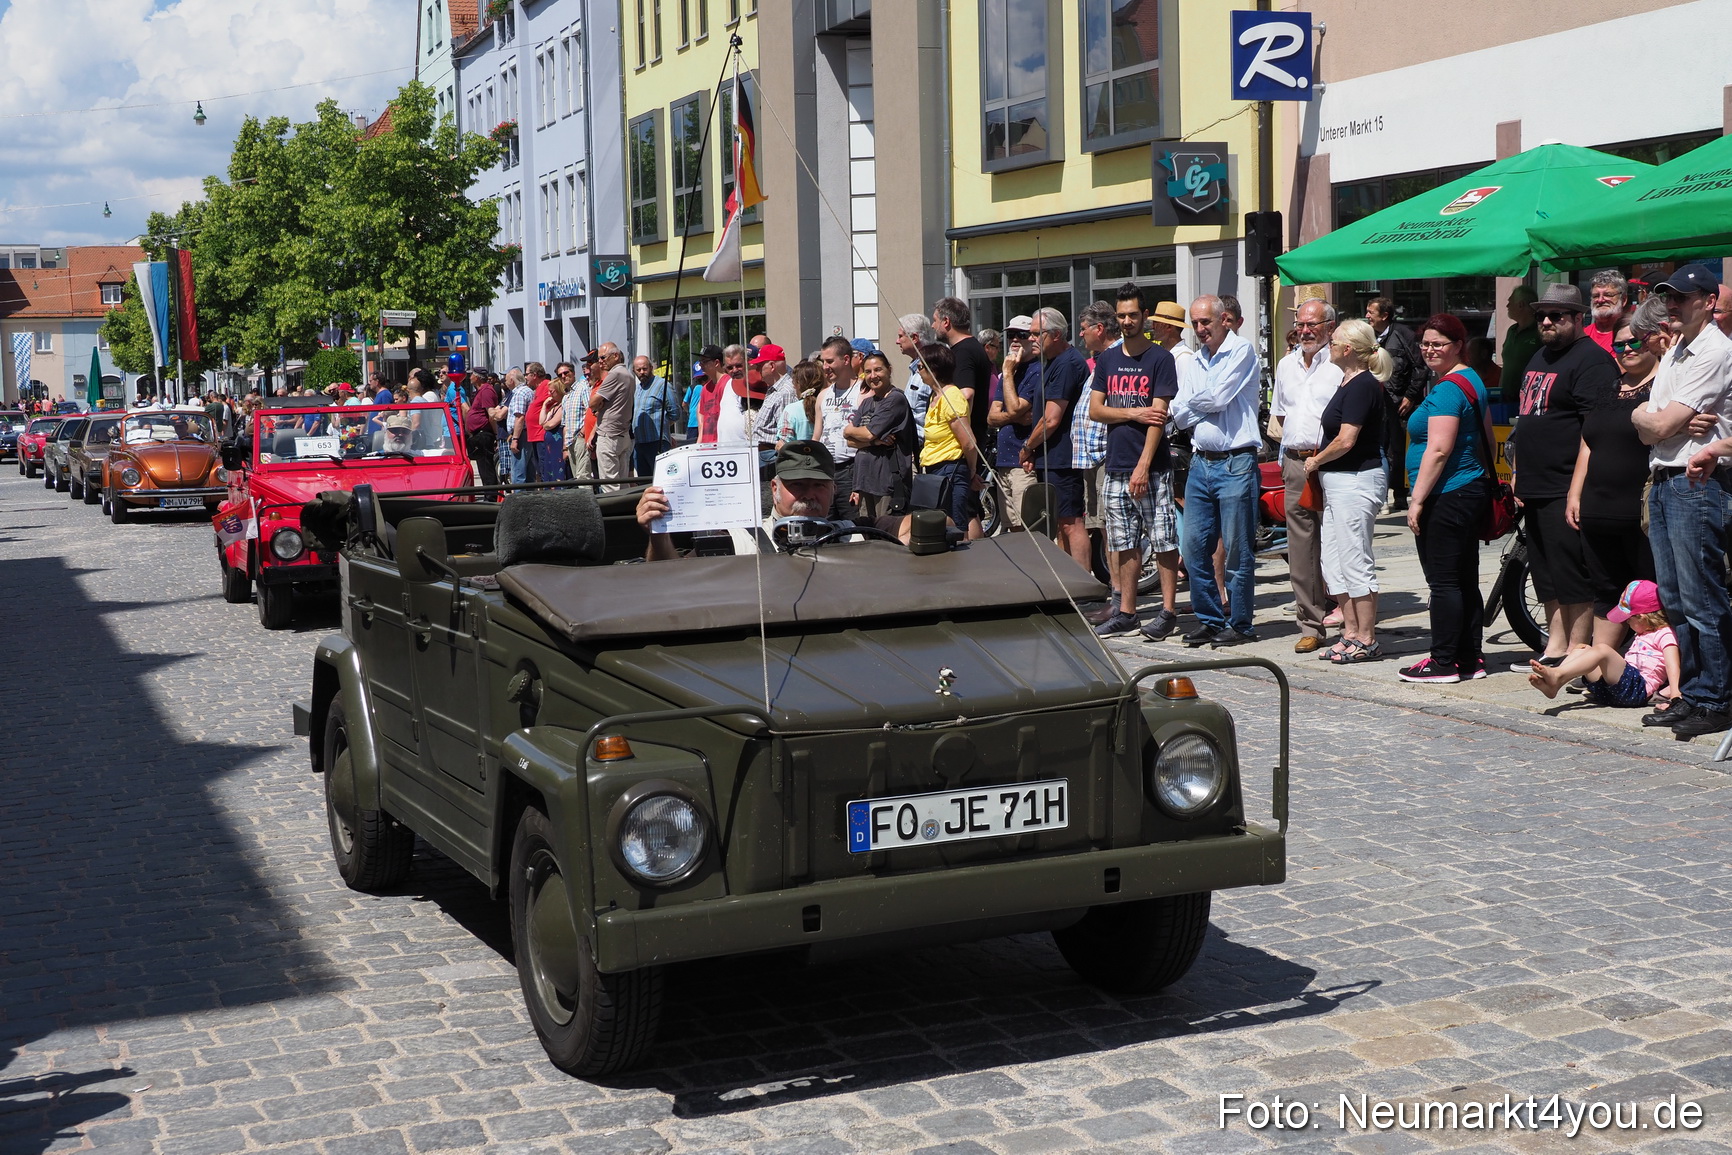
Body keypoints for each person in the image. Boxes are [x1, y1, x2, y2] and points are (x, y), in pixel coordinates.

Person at [1642, 263, 1732, 739]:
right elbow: (1647, 422)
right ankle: (1694, 692)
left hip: (1697, 480)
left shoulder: (1714, 350)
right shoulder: (1678, 349)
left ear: (1708, 301)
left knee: (1701, 597)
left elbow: (1655, 425)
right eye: (1668, 297)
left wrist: (1655, 420)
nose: (1671, 304)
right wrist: (1652, 418)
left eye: (1682, 297)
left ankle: (1717, 697)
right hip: (1664, 477)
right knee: (1674, 598)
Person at [1512, 283, 1619, 667]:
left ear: (1578, 318)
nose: (1546, 321)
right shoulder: (1539, 355)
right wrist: (1518, 472)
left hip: (1566, 486)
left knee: (1572, 573)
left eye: (1556, 315)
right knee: (1545, 574)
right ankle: (1554, 645)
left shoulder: (1591, 361)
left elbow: (1594, 433)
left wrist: (1577, 490)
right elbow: (1528, 417)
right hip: (1535, 484)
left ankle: (1577, 651)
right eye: (1542, 314)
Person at [1566, 298, 1672, 652]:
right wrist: (1575, 493)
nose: (1626, 349)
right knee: (1605, 590)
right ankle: (1602, 666)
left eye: (1634, 342)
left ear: (1651, 340)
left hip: (1640, 513)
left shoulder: (1665, 386)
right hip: (1597, 508)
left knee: (1648, 591)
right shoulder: (1608, 388)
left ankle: (1652, 667)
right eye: (1619, 345)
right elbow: (1588, 444)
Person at [1399, 314, 1494, 684]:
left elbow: (1439, 449)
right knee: (1464, 577)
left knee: (1444, 582)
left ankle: (1443, 662)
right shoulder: (1471, 380)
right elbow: (1484, 436)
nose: (1429, 350)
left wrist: (1417, 500)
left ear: (1458, 345)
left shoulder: (1449, 388)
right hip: (1468, 489)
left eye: (1438, 343)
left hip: (1448, 492)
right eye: (1425, 343)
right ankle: (1470, 658)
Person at [634, 439, 922, 560]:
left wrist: (908, 551)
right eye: (797, 485)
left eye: (818, 485)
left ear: (834, 489)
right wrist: (659, 535)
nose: (809, 494)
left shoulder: (859, 532)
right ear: (774, 488)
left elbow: (930, 524)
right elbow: (672, 579)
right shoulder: (737, 540)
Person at [1166, 295, 1262, 647]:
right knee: (1192, 548)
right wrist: (1196, 403)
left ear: (1225, 319)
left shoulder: (1242, 350)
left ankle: (1240, 624)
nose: (1199, 329)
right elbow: (1180, 411)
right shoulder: (1197, 360)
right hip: (1201, 461)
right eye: (1194, 323)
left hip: (1236, 461)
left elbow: (1218, 399)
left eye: (1205, 322)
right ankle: (1209, 618)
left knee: (1237, 551)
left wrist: (1194, 402)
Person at [1087, 284, 1179, 640]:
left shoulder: (1160, 359)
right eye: (1121, 315)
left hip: (1151, 467)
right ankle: (1127, 612)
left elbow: (1158, 416)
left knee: (1163, 539)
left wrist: (1143, 466)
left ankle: (1168, 611)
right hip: (1116, 464)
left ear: (1145, 316)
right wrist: (1132, 413)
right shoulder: (1108, 359)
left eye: (1132, 315)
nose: (1126, 321)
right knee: (1122, 541)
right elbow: (1096, 410)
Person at [1306, 319, 1390, 663]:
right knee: (1334, 562)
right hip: (1338, 483)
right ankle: (1350, 632)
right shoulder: (1347, 381)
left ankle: (1367, 638)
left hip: (1356, 480)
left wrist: (1315, 461)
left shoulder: (1364, 386)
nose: (1329, 343)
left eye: (1334, 340)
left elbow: (1346, 439)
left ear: (1349, 349)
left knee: (1356, 560)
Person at [1270, 299, 1343, 653]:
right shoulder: (1286, 366)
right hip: (1296, 462)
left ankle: (1354, 617)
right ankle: (1310, 623)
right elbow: (1282, 415)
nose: (1305, 331)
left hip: (1332, 462)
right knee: (1301, 548)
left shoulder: (1341, 364)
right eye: (1300, 325)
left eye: (1312, 325)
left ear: (1330, 326)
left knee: (1337, 545)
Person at [1003, 307, 1091, 573]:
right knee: (1058, 523)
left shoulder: (1067, 363)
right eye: (1029, 334)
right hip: (1050, 457)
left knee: (1070, 522)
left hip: (1063, 458)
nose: (1030, 340)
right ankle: (1068, 581)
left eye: (1035, 334)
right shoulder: (1051, 362)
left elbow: (1051, 419)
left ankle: (1084, 586)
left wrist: (1028, 447)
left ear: (1054, 334)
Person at [1528, 580, 1679, 708]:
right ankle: (1556, 684)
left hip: (1636, 689)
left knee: (1603, 650)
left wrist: (1674, 696)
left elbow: (1674, 667)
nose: (1626, 622)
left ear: (1643, 617)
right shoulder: (1643, 632)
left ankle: (1557, 674)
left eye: (1629, 618)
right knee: (1582, 649)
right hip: (1612, 690)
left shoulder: (1666, 635)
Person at [913, 341, 985, 538]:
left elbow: (969, 442)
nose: (918, 371)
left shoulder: (951, 396)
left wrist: (971, 472)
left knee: (956, 526)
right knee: (937, 526)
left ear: (933, 369)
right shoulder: (935, 397)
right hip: (935, 469)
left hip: (951, 469)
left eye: (920, 366)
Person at [1070, 302, 1114, 607]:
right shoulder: (1099, 361)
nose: (1081, 336)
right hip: (1091, 457)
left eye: (1084, 329)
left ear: (1099, 329)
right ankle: (1116, 596)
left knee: (1112, 529)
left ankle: (1120, 597)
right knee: (1101, 526)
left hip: (1105, 457)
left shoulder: (1116, 359)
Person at [1366, 297, 1426, 510]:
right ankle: (1380, 494)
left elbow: (1421, 367)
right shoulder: (1368, 336)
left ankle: (1400, 494)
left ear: (1385, 315)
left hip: (1399, 402)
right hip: (1376, 403)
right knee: (1377, 448)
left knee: (1399, 449)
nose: (1367, 316)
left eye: (1371, 312)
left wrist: (1410, 396)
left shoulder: (1403, 334)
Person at [845, 350, 915, 517]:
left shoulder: (895, 399)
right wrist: (874, 442)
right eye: (868, 372)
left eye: (878, 370)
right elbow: (849, 441)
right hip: (864, 481)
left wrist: (851, 431)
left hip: (887, 483)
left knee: (886, 535)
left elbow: (868, 433)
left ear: (889, 370)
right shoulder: (867, 402)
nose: (873, 376)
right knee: (868, 535)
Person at [932, 297, 995, 474]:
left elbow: (966, 394)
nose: (932, 325)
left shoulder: (964, 352)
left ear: (946, 322)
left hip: (962, 447)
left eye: (935, 320)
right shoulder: (969, 348)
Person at [988, 315, 1036, 531]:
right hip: (1004, 462)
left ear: (1033, 338)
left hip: (1023, 463)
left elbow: (1014, 407)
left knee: (1028, 528)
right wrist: (1015, 416)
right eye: (1010, 335)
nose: (1015, 340)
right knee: (1011, 529)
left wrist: (1007, 374)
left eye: (1021, 335)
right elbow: (991, 417)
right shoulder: (1008, 371)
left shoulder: (1036, 370)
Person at [814, 336, 865, 519]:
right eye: (823, 362)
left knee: (853, 526)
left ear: (845, 359)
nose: (825, 367)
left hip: (851, 471)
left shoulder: (863, 392)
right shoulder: (823, 396)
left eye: (830, 361)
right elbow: (816, 437)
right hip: (826, 472)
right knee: (826, 525)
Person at [589, 344, 634, 488]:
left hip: (609, 436)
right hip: (622, 434)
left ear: (615, 356)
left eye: (603, 357)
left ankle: (612, 511)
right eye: (598, 358)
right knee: (622, 482)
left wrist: (598, 404)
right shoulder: (628, 374)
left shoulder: (615, 374)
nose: (600, 361)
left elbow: (592, 403)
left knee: (609, 485)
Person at [631, 355, 679, 476]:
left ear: (651, 368)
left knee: (660, 479)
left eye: (645, 369)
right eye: (638, 370)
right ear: (634, 371)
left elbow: (675, 413)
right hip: (639, 444)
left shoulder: (663, 385)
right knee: (643, 483)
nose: (642, 372)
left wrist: (663, 426)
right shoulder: (637, 389)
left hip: (657, 443)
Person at [896, 314, 937, 445]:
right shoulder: (915, 369)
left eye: (900, 336)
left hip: (925, 448)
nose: (897, 341)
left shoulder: (931, 370)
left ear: (914, 338)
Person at [1500, 286, 1540, 405]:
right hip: (1506, 399)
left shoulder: (1540, 331)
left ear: (1521, 305)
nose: (1507, 306)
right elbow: (1506, 364)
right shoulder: (1511, 331)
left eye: (1510, 302)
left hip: (1530, 399)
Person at [465, 370, 501, 488]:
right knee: (483, 469)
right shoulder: (480, 391)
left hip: (484, 435)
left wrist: (496, 434)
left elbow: (491, 414)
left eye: (472, 375)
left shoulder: (486, 391)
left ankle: (491, 497)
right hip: (478, 434)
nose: (470, 377)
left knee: (487, 469)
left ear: (477, 377)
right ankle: (488, 494)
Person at [1584, 270, 1630, 357]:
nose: (1600, 300)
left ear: (1623, 300)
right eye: (1596, 296)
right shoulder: (1583, 335)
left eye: (1608, 295)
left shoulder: (1631, 335)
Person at [562, 361, 595, 481]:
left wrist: (583, 433)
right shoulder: (566, 396)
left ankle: (587, 500)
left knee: (583, 477)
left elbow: (591, 411)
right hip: (570, 441)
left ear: (573, 373)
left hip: (581, 438)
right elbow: (565, 424)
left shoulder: (583, 388)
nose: (563, 376)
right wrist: (565, 447)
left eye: (566, 373)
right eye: (560, 375)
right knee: (577, 478)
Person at [776, 361, 823, 445]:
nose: (793, 386)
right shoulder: (827, 405)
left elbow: (784, 443)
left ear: (798, 383)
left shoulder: (791, 410)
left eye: (794, 382)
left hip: (798, 456)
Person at [537, 367, 569, 483]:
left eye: (552, 391)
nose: (549, 394)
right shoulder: (554, 406)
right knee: (548, 471)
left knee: (558, 472)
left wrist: (546, 424)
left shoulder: (562, 406)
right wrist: (545, 406)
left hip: (557, 445)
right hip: (550, 447)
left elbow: (550, 424)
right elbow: (542, 422)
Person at [505, 367, 537, 484]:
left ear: (512, 380)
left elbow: (520, 418)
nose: (505, 382)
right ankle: (529, 498)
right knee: (529, 473)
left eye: (506, 379)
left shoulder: (519, 393)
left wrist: (515, 439)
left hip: (521, 436)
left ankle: (519, 499)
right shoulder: (528, 391)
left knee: (518, 474)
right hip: (527, 434)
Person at [694, 344, 727, 444]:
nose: (700, 365)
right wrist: (699, 445)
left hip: (722, 446)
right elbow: (703, 422)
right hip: (707, 447)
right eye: (700, 361)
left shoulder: (727, 384)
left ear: (717, 362)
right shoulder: (705, 389)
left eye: (704, 361)